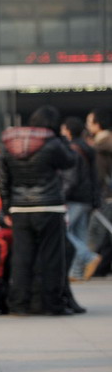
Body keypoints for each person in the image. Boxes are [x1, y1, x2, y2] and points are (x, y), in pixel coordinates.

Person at [0, 105, 75, 315]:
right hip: (49, 206)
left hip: (19, 208)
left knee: (21, 258)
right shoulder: (52, 143)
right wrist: (64, 140)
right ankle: (52, 304)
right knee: (52, 258)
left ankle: (19, 304)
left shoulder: (9, 143)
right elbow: (70, 161)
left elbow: (4, 180)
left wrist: (7, 208)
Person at [60, 116, 101, 281]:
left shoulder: (73, 149)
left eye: (63, 129)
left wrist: (63, 197)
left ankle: (89, 257)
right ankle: (76, 273)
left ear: (68, 131)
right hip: (86, 197)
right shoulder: (87, 147)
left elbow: (72, 178)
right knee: (80, 233)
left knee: (65, 232)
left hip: (74, 198)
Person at [86, 108, 112, 277]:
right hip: (105, 194)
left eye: (89, 122)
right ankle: (100, 268)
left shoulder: (103, 144)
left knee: (97, 232)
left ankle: (89, 265)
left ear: (98, 124)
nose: (87, 126)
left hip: (106, 195)